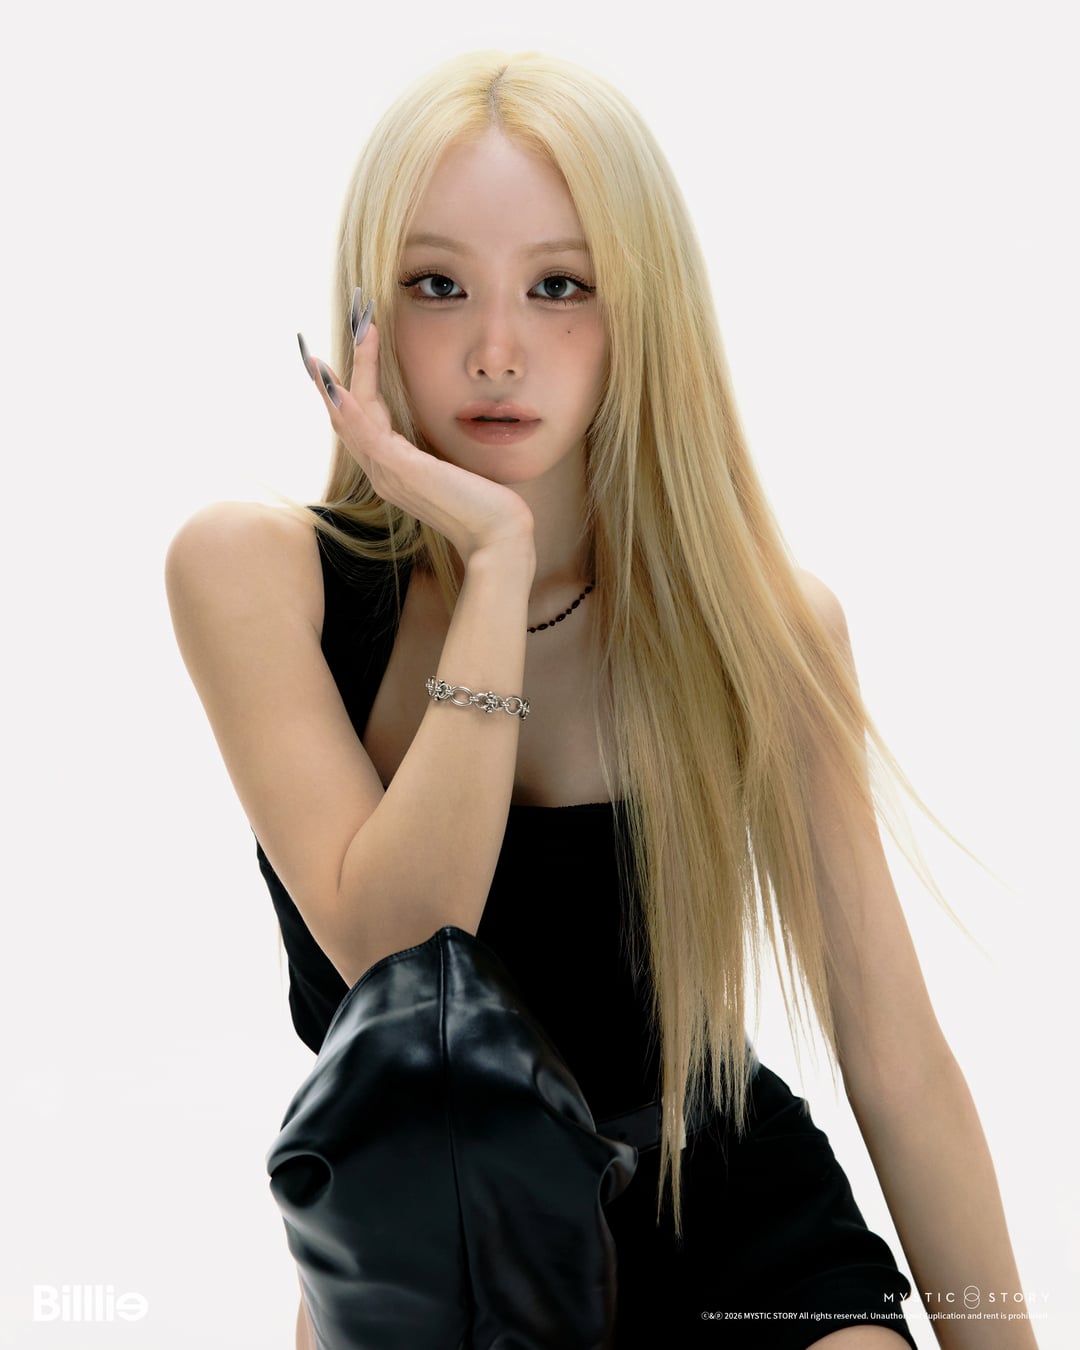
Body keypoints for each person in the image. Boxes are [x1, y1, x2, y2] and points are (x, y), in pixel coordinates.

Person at [165, 50, 1036, 1349]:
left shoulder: (767, 632)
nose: (497, 350)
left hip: (732, 1221)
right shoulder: (254, 572)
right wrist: (496, 564)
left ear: (642, 312)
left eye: (559, 285)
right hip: (439, 1252)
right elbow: (401, 950)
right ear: (366, 313)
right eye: (437, 285)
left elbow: (898, 1060)